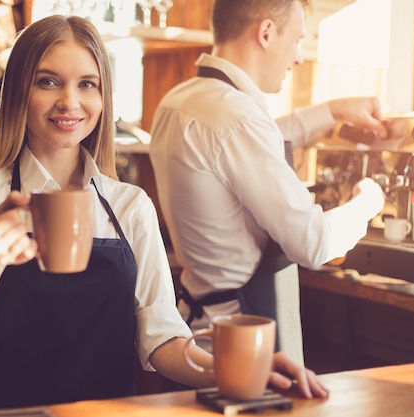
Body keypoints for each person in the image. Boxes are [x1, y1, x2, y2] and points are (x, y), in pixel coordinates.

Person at [0, 15, 329, 413]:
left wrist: (241, 372)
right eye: (48, 81)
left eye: (87, 84)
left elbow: (161, 339)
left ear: (104, 97)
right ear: (18, 91)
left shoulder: (131, 207)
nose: (70, 102)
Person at [149, 0, 386, 366]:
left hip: (198, 327)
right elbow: (313, 242)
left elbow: (250, 146)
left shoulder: (180, 101)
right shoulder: (235, 115)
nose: (298, 58)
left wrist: (332, 111)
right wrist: (369, 200)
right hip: (244, 337)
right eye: (296, 40)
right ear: (265, 33)